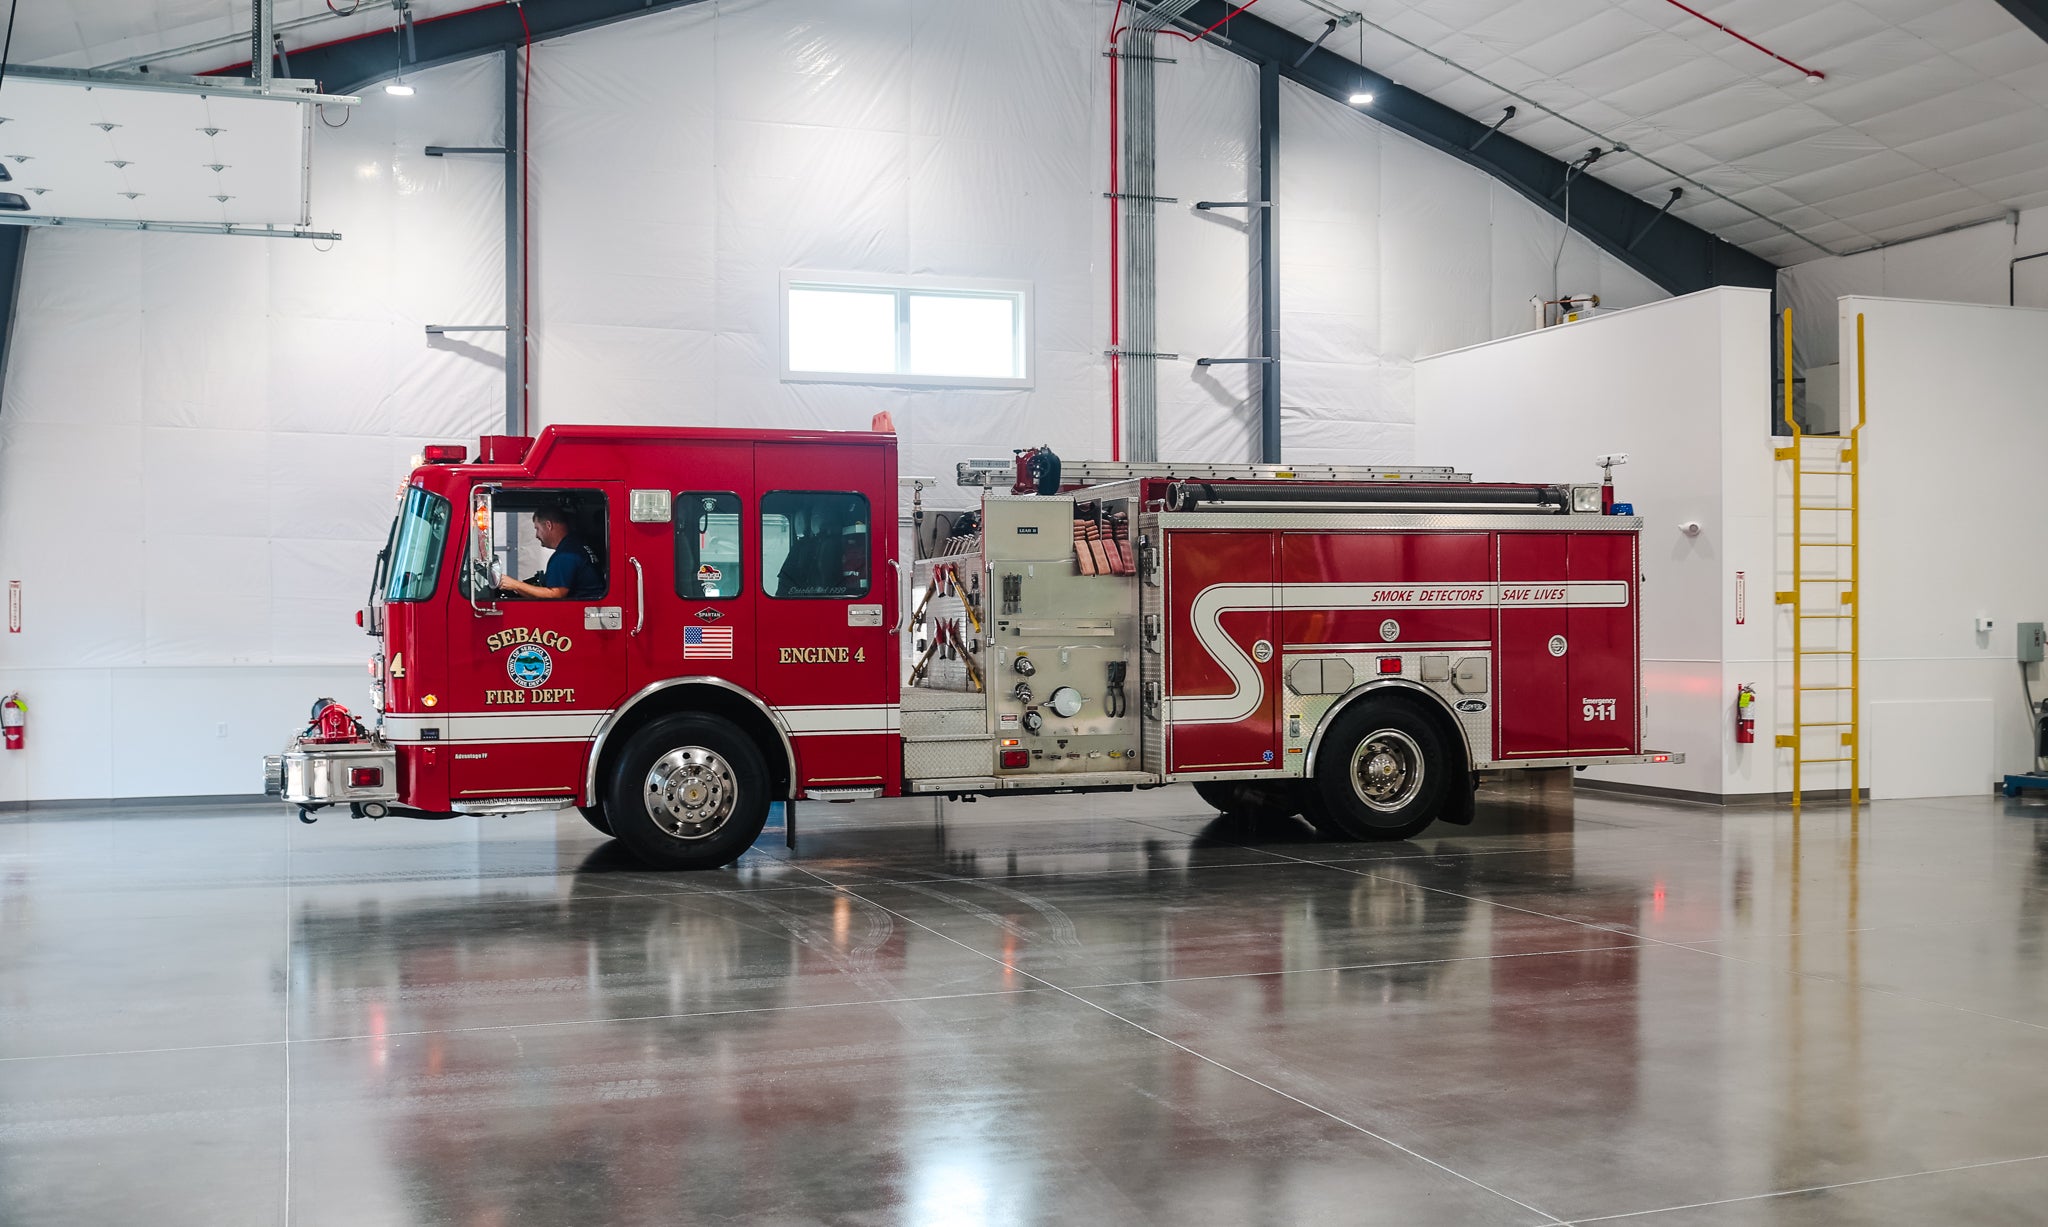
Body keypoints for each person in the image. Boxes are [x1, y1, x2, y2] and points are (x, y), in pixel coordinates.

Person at [496, 506, 604, 600]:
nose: (536, 535)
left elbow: (556, 594)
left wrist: (515, 585)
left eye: (537, 528)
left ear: (548, 525)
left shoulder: (566, 555)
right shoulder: (576, 545)